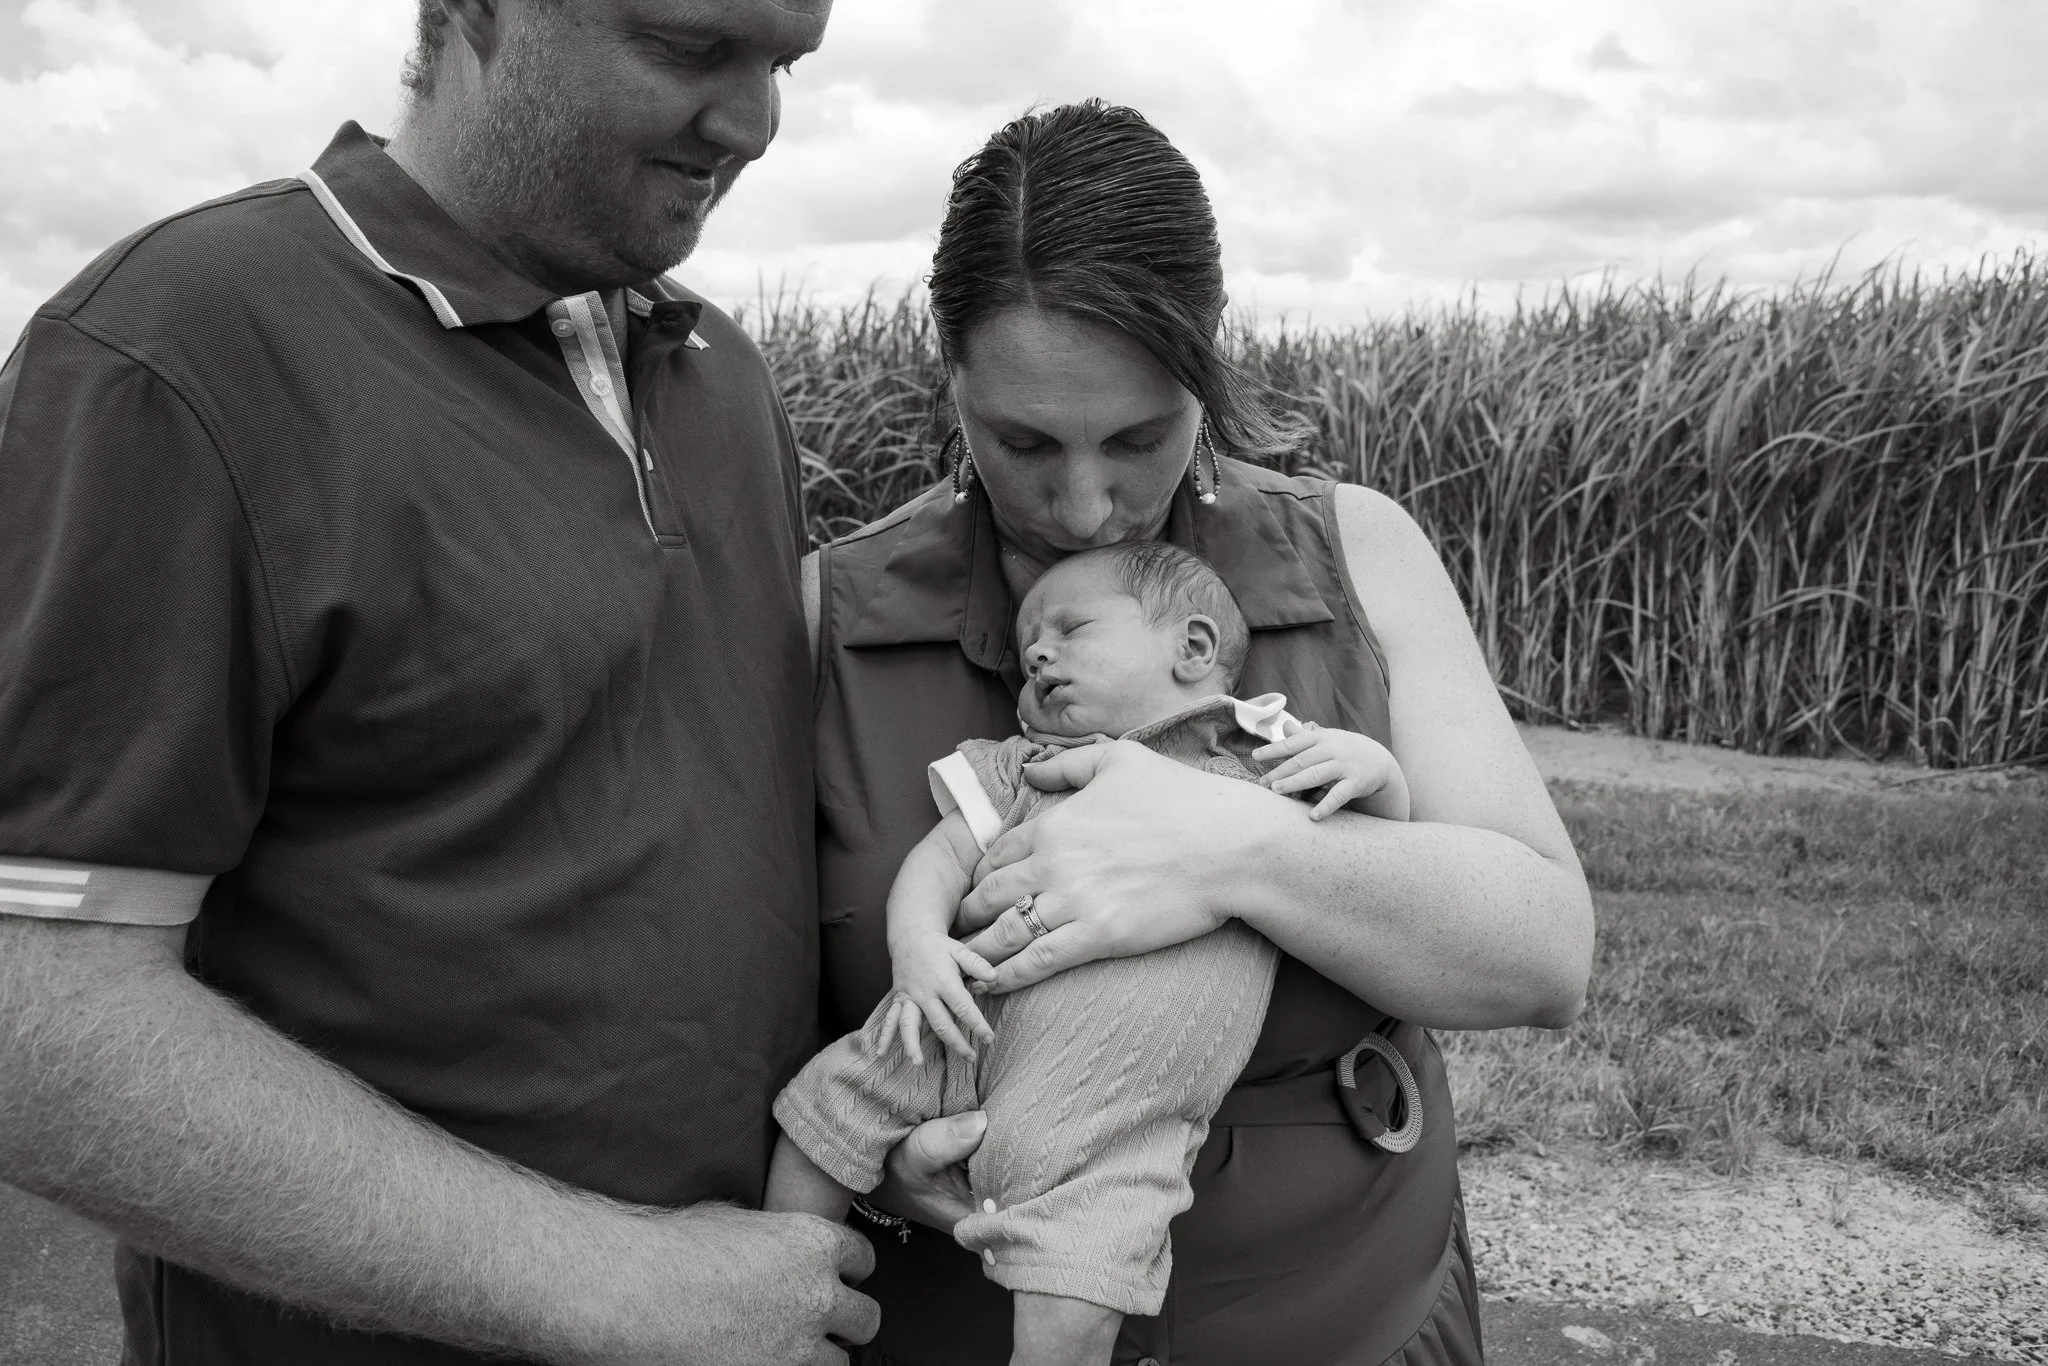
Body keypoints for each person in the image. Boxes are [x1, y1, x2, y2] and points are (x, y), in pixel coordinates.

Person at [0, 2, 899, 1363]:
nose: (756, 122)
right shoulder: (176, 350)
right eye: (690, 46)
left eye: (784, 61)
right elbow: (37, 1000)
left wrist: (877, 1115)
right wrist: (618, 1284)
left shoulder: (725, 378)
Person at [806, 100, 1596, 1365]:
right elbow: (721, 1020)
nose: (1085, 505)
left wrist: (1229, 849)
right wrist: (873, 1156)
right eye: (1021, 442)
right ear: (946, 375)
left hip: (1342, 1314)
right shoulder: (826, 614)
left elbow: (1543, 955)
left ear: (1205, 363)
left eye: (1138, 436)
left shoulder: (1359, 555)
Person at [770, 541, 1409, 1366]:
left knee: (1083, 1276)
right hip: (956, 1024)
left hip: (1114, 1113)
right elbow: (939, 859)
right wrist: (918, 946)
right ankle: (785, 1288)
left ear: (1193, 648)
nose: (1038, 651)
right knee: (825, 1110)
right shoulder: (1025, 766)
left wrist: (1378, 769)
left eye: (1070, 628)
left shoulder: (1265, 755)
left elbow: (1375, 857)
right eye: (1032, 642)